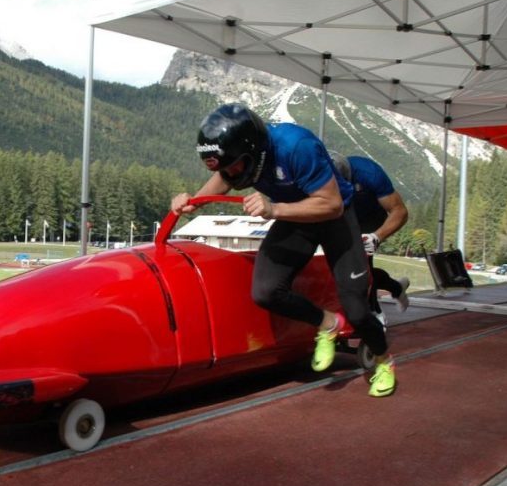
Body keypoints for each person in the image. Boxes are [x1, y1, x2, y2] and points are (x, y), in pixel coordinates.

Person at [172, 103, 396, 397]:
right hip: (294, 215)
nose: (230, 174)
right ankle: (327, 323)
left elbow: (331, 205)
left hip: (333, 215)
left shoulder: (296, 146)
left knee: (355, 306)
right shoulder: (241, 157)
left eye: (234, 166)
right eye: (224, 166)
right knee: (265, 291)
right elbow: (224, 176)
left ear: (254, 152)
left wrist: (273, 208)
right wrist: (192, 202)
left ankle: (384, 361)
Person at [330, 153, 411, 315]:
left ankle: (373, 313)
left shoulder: (370, 173)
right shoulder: (315, 171)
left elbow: (400, 211)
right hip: (341, 215)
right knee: (340, 268)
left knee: (361, 265)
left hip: (371, 219)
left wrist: (377, 236)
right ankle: (396, 287)